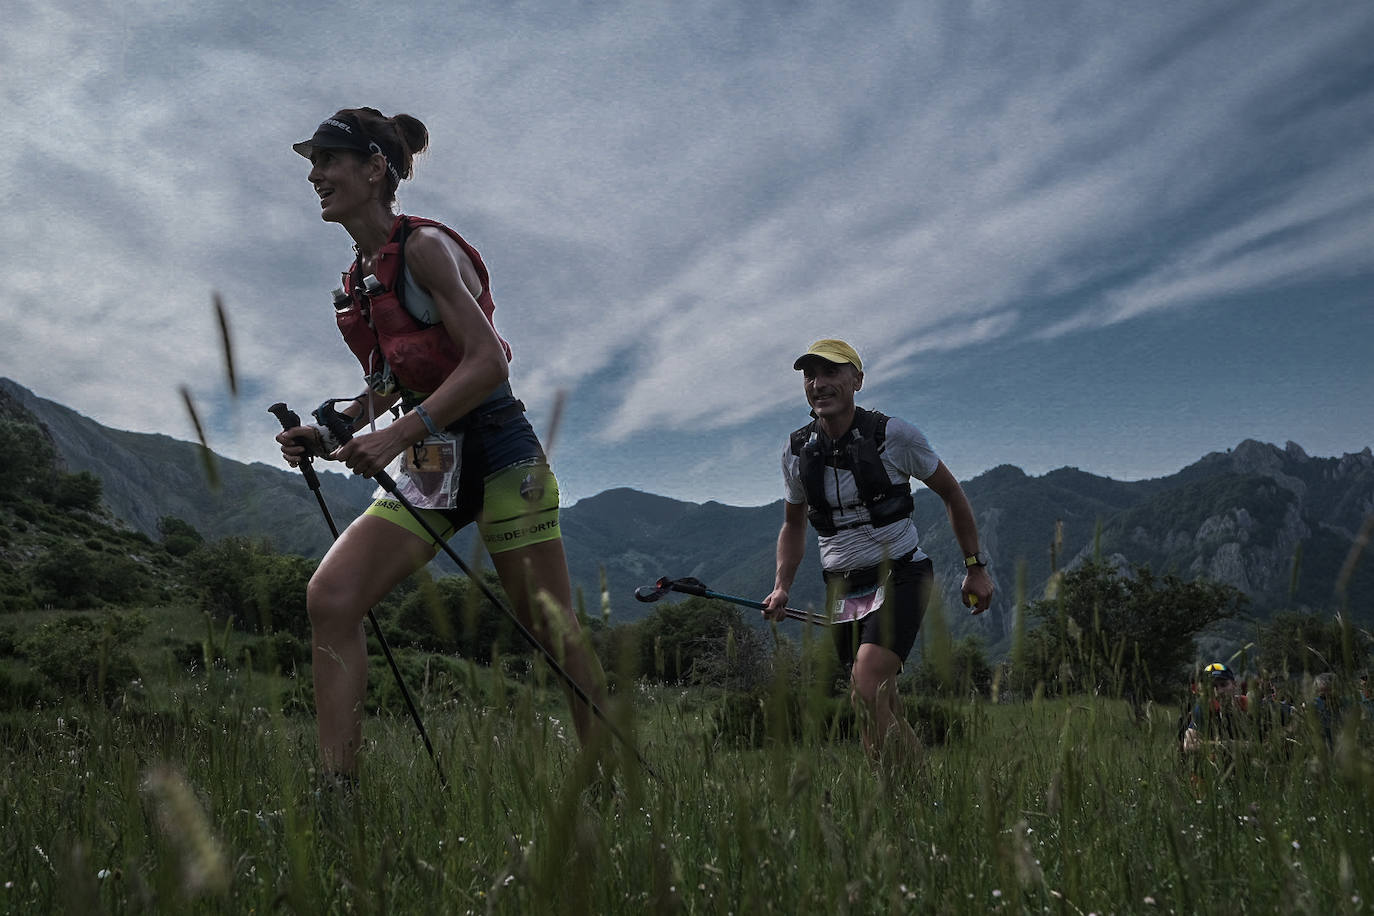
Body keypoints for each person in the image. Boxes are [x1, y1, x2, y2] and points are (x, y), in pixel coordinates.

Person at [276, 108, 608, 781]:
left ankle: (612, 778)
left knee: (551, 628)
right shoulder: (355, 286)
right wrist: (332, 430)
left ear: (375, 169)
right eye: (313, 163)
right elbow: (390, 383)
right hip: (432, 459)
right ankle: (338, 790)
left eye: (330, 159)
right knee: (332, 598)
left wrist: (396, 434)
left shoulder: (424, 248)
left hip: (499, 447)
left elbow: (488, 361)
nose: (315, 175)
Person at [761, 339, 995, 763]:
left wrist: (975, 566)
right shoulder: (796, 450)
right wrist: (781, 587)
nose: (819, 383)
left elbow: (951, 493)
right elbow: (793, 524)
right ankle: (912, 801)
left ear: (857, 381)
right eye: (810, 375)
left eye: (832, 372)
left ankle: (903, 799)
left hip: (900, 574)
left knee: (865, 690)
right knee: (880, 701)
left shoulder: (894, 435)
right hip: (843, 589)